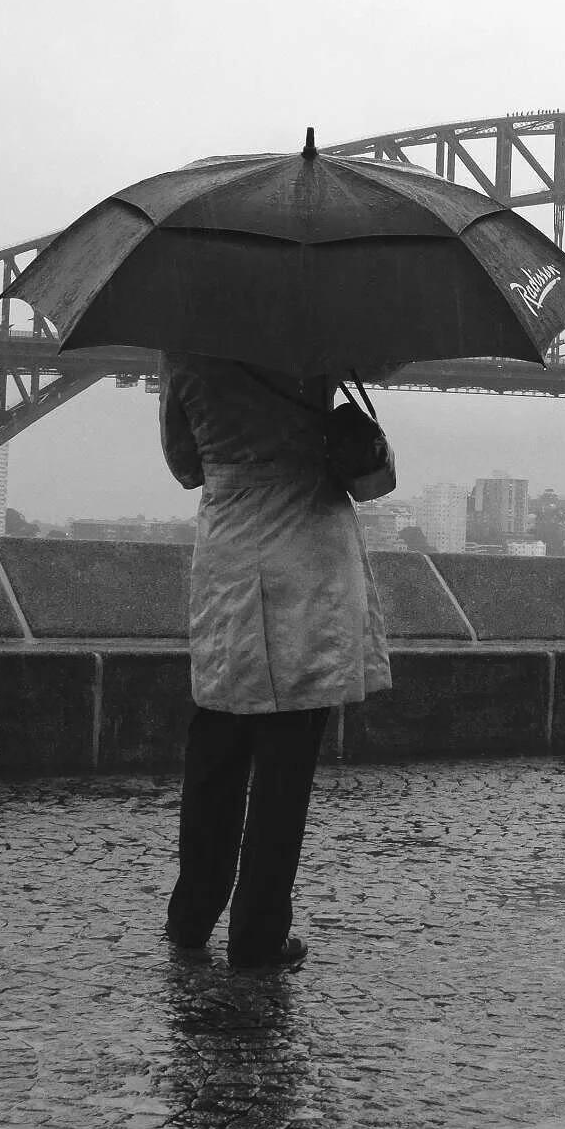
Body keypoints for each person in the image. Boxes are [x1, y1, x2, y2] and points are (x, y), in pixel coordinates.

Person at [158, 350, 390, 971]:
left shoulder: (187, 346)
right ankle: (259, 932)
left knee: (216, 738)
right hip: (308, 552)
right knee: (286, 760)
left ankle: (191, 917)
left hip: (231, 548)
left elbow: (184, 467)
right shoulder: (312, 340)